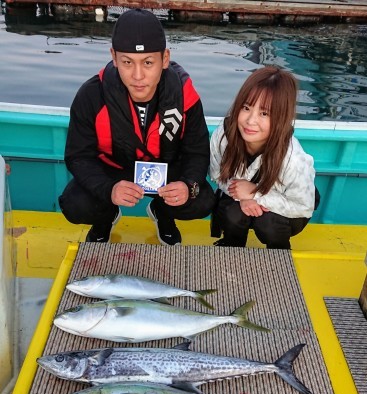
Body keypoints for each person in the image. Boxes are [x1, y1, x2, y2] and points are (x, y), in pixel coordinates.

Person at [59, 8, 215, 245]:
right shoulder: (91, 96)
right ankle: (106, 216)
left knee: (202, 200)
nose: (138, 75)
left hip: (165, 171)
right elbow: (78, 156)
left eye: (148, 62)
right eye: (127, 62)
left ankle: (162, 212)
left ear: (165, 58)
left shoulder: (185, 96)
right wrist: (109, 189)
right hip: (114, 170)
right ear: (114, 57)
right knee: (75, 205)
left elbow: (197, 151)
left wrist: (186, 185)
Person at [209, 66, 319, 250]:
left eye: (264, 113)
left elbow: (303, 207)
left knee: (268, 224)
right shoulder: (224, 135)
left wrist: (255, 195)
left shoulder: (294, 159)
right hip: (239, 199)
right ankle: (232, 246)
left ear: (282, 118)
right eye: (246, 107)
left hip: (285, 212)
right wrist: (241, 196)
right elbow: (216, 175)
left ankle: (279, 252)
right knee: (231, 213)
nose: (250, 121)